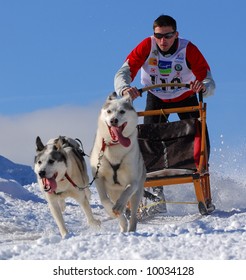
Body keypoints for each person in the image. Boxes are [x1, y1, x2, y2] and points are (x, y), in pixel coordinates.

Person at [114, 15, 215, 214]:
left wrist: (201, 87)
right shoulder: (146, 46)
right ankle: (155, 198)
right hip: (156, 95)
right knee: (148, 144)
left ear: (176, 34)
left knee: (201, 141)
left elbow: (209, 81)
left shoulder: (188, 49)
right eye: (159, 36)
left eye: (168, 36)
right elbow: (122, 73)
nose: (163, 41)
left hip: (185, 96)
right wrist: (125, 89)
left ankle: (204, 192)